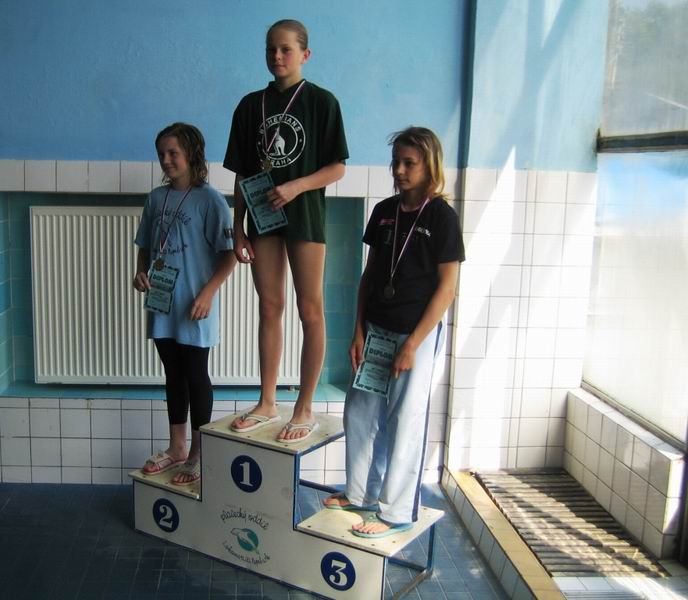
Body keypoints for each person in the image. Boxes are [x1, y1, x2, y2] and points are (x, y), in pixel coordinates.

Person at [323, 127, 465, 537]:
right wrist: (357, 331)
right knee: (360, 412)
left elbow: (447, 289)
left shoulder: (441, 217)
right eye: (396, 162)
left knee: (405, 419)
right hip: (376, 332)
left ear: (429, 166)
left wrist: (413, 345)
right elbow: (369, 276)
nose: (399, 170)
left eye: (409, 163)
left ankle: (396, 511)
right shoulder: (384, 211)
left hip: (415, 335)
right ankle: (359, 494)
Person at [224, 19, 348, 442]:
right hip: (262, 220)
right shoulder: (249, 106)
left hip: (305, 217)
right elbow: (243, 173)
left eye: (286, 49)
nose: (277, 56)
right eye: (270, 49)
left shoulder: (322, 102)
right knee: (269, 307)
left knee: (310, 309)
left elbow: (337, 167)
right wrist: (237, 227)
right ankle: (267, 401)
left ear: (304, 55)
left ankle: (305, 407)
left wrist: (297, 186)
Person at [134, 122, 236, 485]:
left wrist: (208, 293)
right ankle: (177, 447)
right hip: (163, 304)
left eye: (173, 153)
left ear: (191, 153)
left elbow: (230, 255)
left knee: (195, 375)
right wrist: (140, 273)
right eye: (161, 153)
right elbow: (145, 246)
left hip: (195, 306)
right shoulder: (155, 199)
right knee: (173, 375)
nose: (166, 160)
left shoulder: (210, 200)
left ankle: (198, 452)